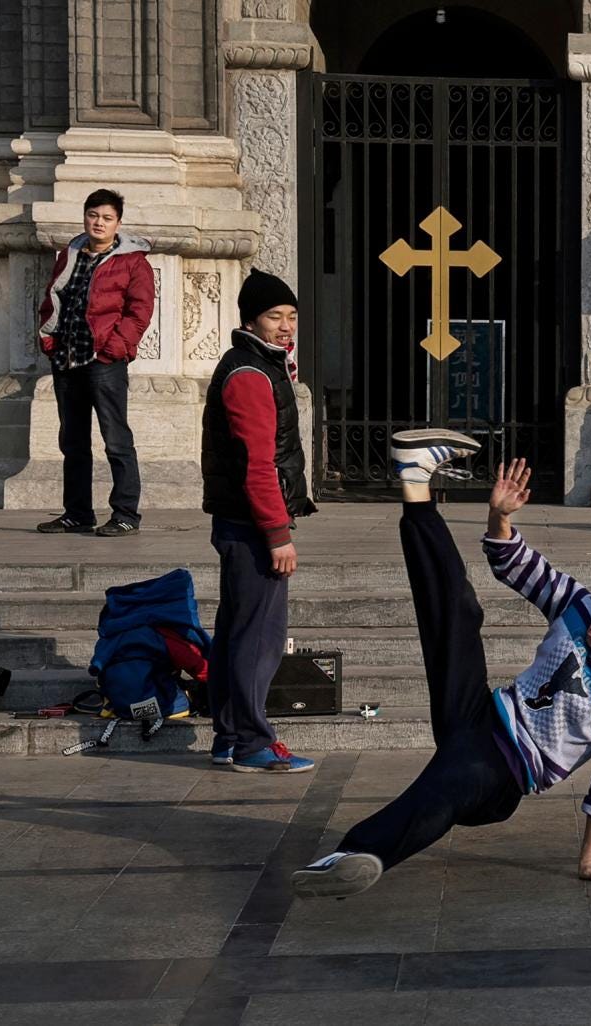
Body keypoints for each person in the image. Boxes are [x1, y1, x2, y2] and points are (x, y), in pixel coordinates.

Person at [291, 436, 591, 898]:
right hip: (478, 713)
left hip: (505, 772)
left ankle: (353, 857)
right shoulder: (577, 605)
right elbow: (513, 563)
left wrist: (589, 858)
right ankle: (416, 484)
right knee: (457, 613)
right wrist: (501, 516)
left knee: (448, 784)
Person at [200, 269, 317, 773]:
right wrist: (277, 534)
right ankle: (251, 741)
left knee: (235, 631)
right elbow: (259, 463)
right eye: (275, 317)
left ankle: (229, 735)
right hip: (252, 527)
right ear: (252, 320)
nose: (286, 326)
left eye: (292, 317)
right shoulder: (249, 373)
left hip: (240, 522)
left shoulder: (261, 365)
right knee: (259, 637)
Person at [35, 188, 153, 537]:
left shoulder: (133, 262)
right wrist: (48, 339)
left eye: (106, 217)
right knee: (72, 441)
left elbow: (139, 312)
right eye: (93, 215)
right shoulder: (70, 254)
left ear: (118, 223)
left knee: (116, 439)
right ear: (85, 216)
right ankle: (77, 513)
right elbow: (53, 298)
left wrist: (115, 348)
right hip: (66, 359)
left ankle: (126, 514)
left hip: (104, 361)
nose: (98, 222)